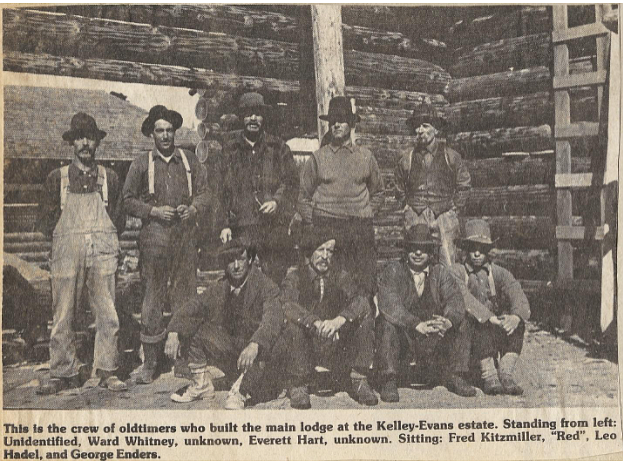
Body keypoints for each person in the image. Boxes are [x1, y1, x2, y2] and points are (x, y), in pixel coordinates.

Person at [36, 113, 127, 394]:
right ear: (72, 143)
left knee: (108, 311)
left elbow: (118, 220)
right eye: (80, 138)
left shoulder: (109, 177)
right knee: (63, 312)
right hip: (67, 251)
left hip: (102, 250)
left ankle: (107, 369)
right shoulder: (57, 178)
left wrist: (103, 242)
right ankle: (63, 371)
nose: (86, 143)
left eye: (90, 137)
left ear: (97, 142)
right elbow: (45, 222)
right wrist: (67, 244)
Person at [123, 105, 210, 384]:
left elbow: (207, 194)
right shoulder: (141, 164)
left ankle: (184, 357)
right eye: (159, 130)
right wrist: (153, 212)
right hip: (154, 241)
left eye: (169, 130)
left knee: (186, 296)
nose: (165, 136)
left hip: (185, 239)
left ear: (175, 132)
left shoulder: (189, 161)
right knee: (153, 298)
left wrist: (193, 209)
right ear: (152, 134)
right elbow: (126, 200)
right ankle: (151, 362)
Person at [164, 239, 285, 409]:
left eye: (241, 259)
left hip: (259, 355)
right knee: (196, 329)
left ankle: (242, 391)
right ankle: (201, 385)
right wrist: (174, 331)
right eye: (230, 260)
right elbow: (195, 306)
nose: (236, 266)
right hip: (234, 351)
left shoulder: (266, 286)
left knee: (270, 343)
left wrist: (255, 344)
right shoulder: (222, 287)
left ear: (250, 260)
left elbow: (272, 319)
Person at [376, 224, 476, 402]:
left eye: (423, 249)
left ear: (431, 253)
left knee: (463, 321)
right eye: (413, 248)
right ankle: (388, 379)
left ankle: (456, 374)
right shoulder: (393, 270)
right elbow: (390, 305)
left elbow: (455, 300)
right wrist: (416, 324)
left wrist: (447, 321)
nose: (418, 253)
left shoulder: (440, 273)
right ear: (406, 250)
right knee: (386, 323)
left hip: (434, 339)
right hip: (405, 338)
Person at [280, 231, 378, 409]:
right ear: (309, 252)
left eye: (330, 251)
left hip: (336, 343)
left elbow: (361, 300)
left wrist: (339, 320)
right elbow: (287, 304)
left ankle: (359, 378)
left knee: (364, 316)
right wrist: (315, 323)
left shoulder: (340, 276)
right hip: (307, 345)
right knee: (292, 324)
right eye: (320, 250)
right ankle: (298, 383)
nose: (325, 256)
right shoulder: (295, 276)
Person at [298, 96, 384, 297]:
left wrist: (366, 212)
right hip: (328, 229)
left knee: (364, 284)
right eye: (332, 120)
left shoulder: (365, 156)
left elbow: (379, 192)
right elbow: (302, 197)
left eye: (342, 119)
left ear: (352, 124)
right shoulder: (318, 158)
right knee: (334, 288)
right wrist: (317, 221)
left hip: (359, 230)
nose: (336, 124)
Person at [217, 92, 299, 284]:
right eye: (248, 114)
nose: (253, 119)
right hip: (241, 228)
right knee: (242, 279)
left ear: (263, 117)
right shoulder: (229, 150)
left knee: (274, 278)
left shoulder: (278, 148)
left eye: (257, 114)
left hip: (272, 229)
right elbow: (219, 191)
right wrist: (224, 224)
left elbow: (292, 183)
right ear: (241, 117)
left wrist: (277, 202)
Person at [451, 219, 530, 395]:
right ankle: (489, 375)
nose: (477, 254)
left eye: (482, 249)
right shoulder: (457, 271)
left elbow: (517, 294)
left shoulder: (498, 272)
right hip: (467, 336)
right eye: (473, 248)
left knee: (518, 324)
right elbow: (463, 297)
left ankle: (506, 373)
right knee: (478, 321)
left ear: (488, 250)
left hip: (493, 332)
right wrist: (489, 317)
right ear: (466, 250)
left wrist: (515, 317)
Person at [394, 99, 471, 267]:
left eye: (425, 125)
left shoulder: (451, 156)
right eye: (417, 126)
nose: (420, 130)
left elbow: (464, 186)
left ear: (435, 129)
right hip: (415, 216)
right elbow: (399, 189)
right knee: (415, 264)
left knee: (447, 264)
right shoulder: (406, 158)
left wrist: (452, 209)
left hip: (444, 217)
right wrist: (407, 209)